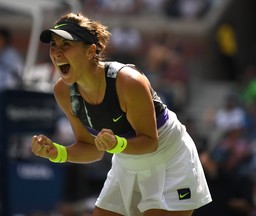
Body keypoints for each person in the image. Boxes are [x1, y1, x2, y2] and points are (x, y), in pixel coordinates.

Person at [31, 12, 212, 216]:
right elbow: (91, 149)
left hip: (169, 159)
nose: (56, 53)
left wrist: (117, 144)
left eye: (66, 45)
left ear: (91, 51)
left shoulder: (129, 82)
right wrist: (57, 153)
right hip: (127, 163)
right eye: (53, 45)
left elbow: (150, 141)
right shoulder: (63, 92)